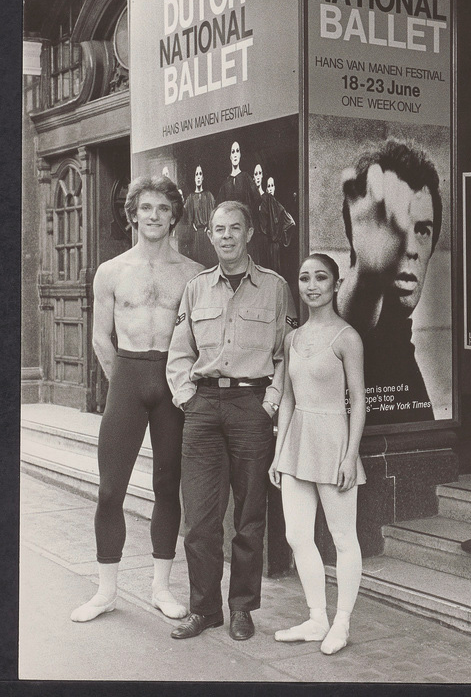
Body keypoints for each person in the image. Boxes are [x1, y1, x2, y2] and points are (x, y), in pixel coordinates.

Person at [71, 175, 203, 623]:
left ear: (174, 216)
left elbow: (197, 339)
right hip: (127, 377)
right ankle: (106, 591)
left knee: (168, 487)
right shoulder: (111, 271)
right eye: (145, 207)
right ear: (132, 214)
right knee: (110, 490)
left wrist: (181, 384)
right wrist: (122, 382)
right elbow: (100, 337)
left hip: (172, 383)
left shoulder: (191, 274)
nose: (154, 216)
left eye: (163, 208)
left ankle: (160, 588)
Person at [166, 200, 297, 642]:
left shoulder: (275, 288)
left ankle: (242, 608)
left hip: (251, 407)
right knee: (200, 518)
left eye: (234, 228)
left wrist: (271, 401)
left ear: (249, 233)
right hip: (203, 408)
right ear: (210, 234)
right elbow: (179, 352)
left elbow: (286, 354)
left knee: (248, 516)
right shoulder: (196, 288)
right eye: (218, 229)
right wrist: (186, 397)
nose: (225, 236)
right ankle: (204, 609)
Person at [269, 254, 366, 655]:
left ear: (336, 284)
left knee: (343, 538)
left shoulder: (347, 338)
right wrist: (278, 454)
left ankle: (341, 622)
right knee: (296, 534)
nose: (311, 285)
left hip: (333, 442)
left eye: (320, 278)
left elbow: (358, 402)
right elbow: (288, 399)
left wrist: (349, 456)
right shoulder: (293, 338)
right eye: (304, 277)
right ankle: (316, 617)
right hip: (296, 443)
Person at [337, 137, 441, 424]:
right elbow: (354, 319)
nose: (408, 248)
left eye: (422, 230)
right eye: (395, 227)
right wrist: (370, 275)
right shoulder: (353, 309)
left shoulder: (403, 353)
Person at [258, 175, 296, 273]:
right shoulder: (264, 203)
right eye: (268, 186)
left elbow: (290, 222)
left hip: (275, 247)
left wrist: (280, 234)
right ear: (266, 189)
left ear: (274, 187)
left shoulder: (278, 206)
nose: (270, 189)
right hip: (265, 245)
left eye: (272, 186)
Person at [183, 165, 216, 268]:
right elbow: (185, 216)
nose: (198, 176)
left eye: (200, 174)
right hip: (196, 237)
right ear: (194, 178)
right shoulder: (190, 198)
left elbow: (214, 215)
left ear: (203, 177)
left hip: (207, 235)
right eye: (196, 174)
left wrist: (209, 227)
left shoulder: (209, 196)